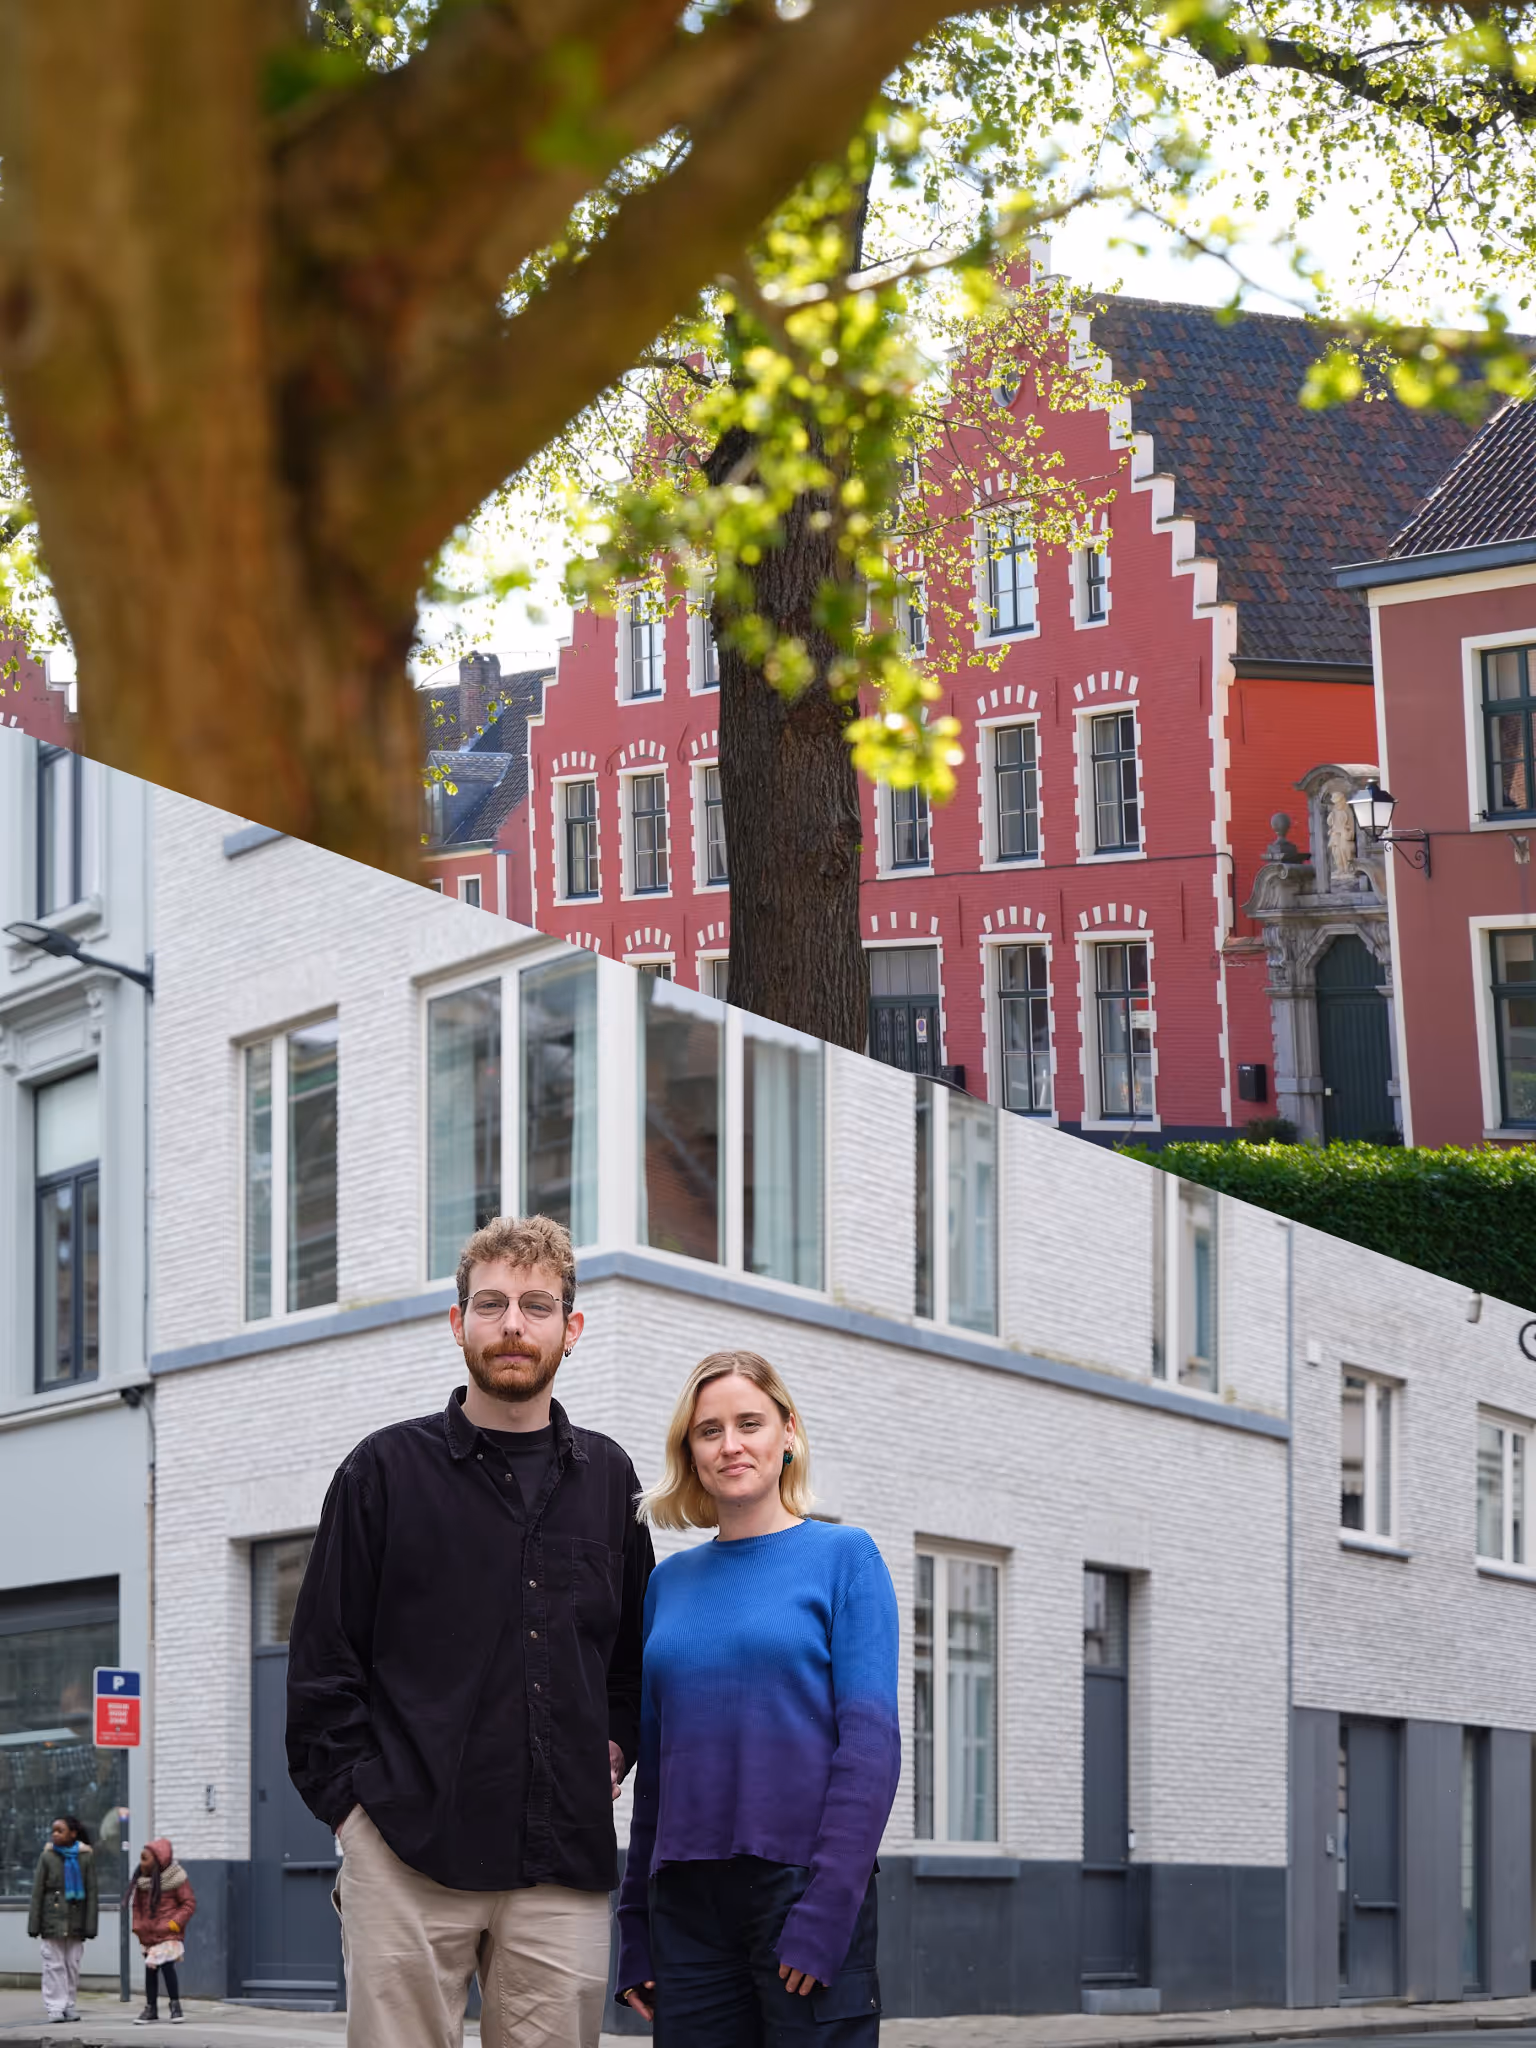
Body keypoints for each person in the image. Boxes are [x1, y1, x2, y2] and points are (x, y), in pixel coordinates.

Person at [286, 1213, 654, 2048]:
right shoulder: (382, 1473)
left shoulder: (610, 1480)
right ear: (458, 1323)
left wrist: (618, 1742)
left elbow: (633, 1657)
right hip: (407, 1852)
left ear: (571, 1328)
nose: (513, 1325)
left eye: (536, 1305)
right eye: (491, 1305)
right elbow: (321, 1666)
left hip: (560, 1864)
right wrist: (354, 1815)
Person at [616, 1350, 900, 2046]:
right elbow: (657, 1772)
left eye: (750, 1423)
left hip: (801, 1891)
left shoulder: (846, 1558)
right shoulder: (669, 1584)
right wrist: (637, 1928)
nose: (731, 1445)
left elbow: (870, 1748)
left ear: (788, 1432)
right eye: (709, 1431)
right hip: (685, 1910)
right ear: (690, 1452)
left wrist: (829, 1910)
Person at [28, 1814, 97, 2024]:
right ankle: (55, 2007)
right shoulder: (47, 1857)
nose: (55, 1834)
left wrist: (90, 1926)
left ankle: (69, 2005)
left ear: (73, 1833)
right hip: (52, 1919)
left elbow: (92, 1893)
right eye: (53, 1831)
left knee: (72, 1964)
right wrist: (34, 1924)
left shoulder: (85, 1857)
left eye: (60, 1830)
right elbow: (37, 1892)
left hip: (76, 1920)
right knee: (53, 1964)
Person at [129, 1837, 195, 2025]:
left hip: (167, 1931)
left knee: (167, 1967)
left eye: (145, 1859)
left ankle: (175, 2006)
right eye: (141, 1858)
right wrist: (138, 1925)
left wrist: (174, 1924)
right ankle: (151, 2008)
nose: (141, 1863)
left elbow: (188, 1904)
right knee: (150, 1970)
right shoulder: (143, 1882)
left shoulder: (176, 1879)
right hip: (149, 1933)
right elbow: (137, 1906)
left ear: (158, 1860)